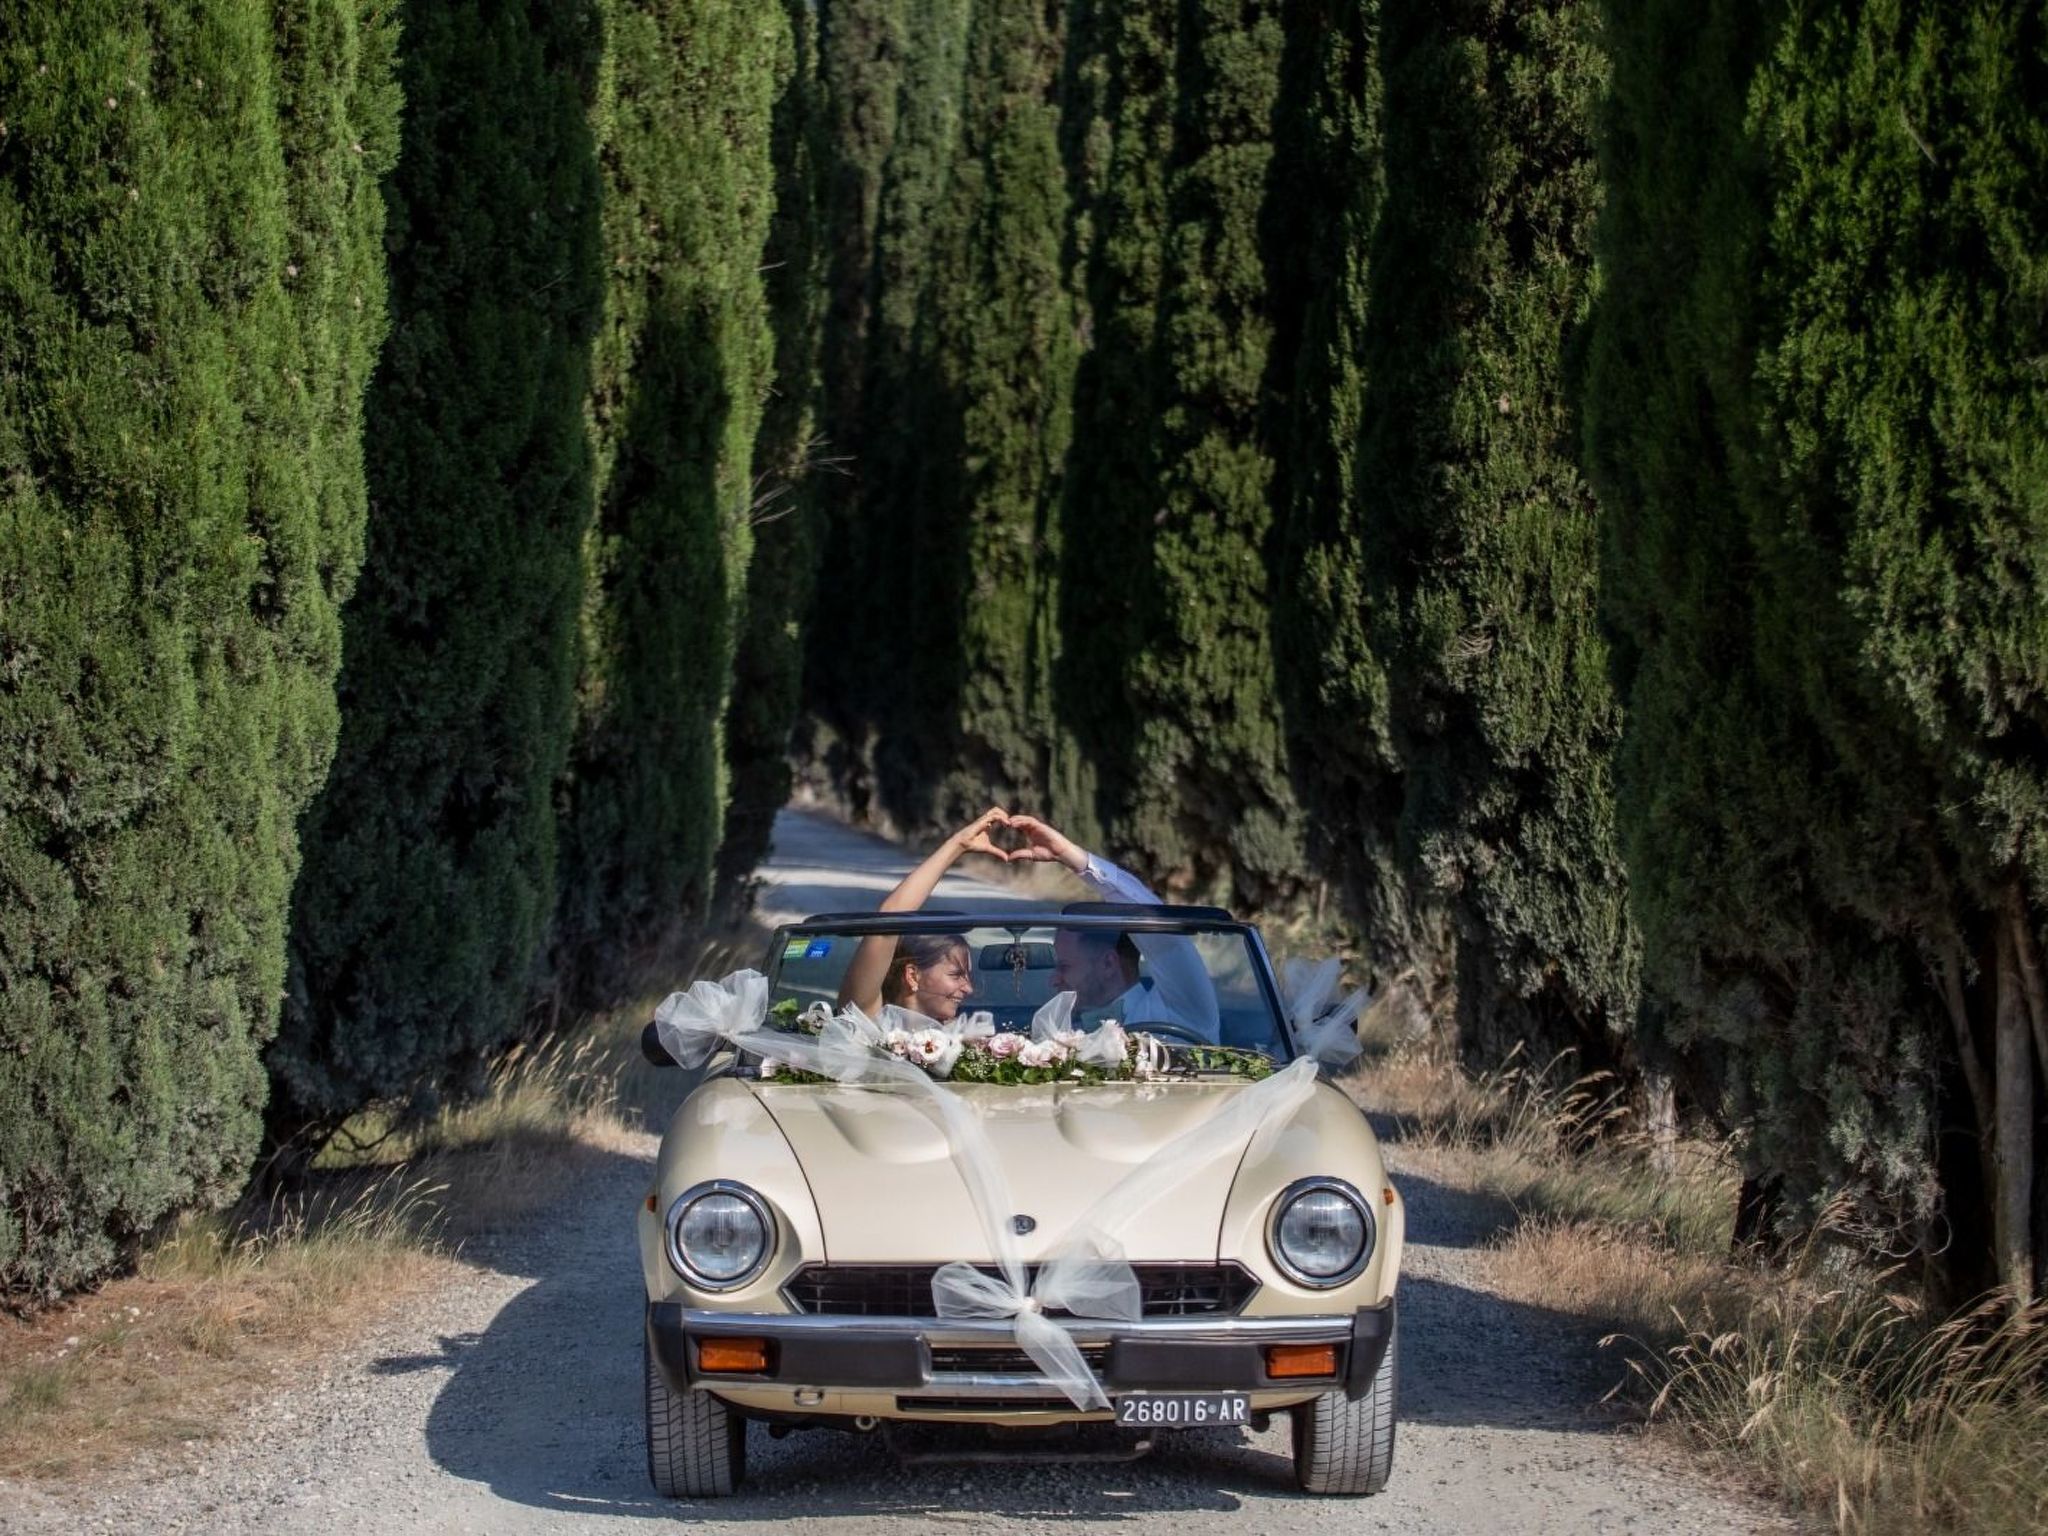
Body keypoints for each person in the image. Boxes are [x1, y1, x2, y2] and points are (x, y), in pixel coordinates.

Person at [1005, 814, 1222, 1043]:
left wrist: (1075, 859)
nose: (1054, 979)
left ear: (1109, 963)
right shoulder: (1057, 1026)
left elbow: (1161, 931)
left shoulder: (1181, 1009)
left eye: (1064, 966)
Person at [835, 806, 1010, 1022]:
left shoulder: (969, 1037)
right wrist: (957, 845)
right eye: (956, 975)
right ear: (912, 976)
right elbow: (886, 924)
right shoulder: (870, 1021)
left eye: (966, 977)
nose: (969, 989)